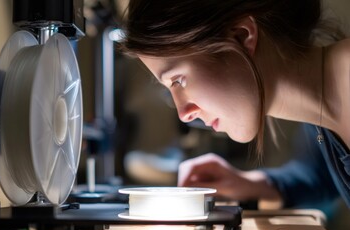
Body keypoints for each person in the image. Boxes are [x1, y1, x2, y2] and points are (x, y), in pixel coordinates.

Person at [119, 0, 350, 210]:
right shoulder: (319, 117)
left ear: (242, 36)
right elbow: (320, 177)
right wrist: (251, 184)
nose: (184, 114)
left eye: (178, 80)